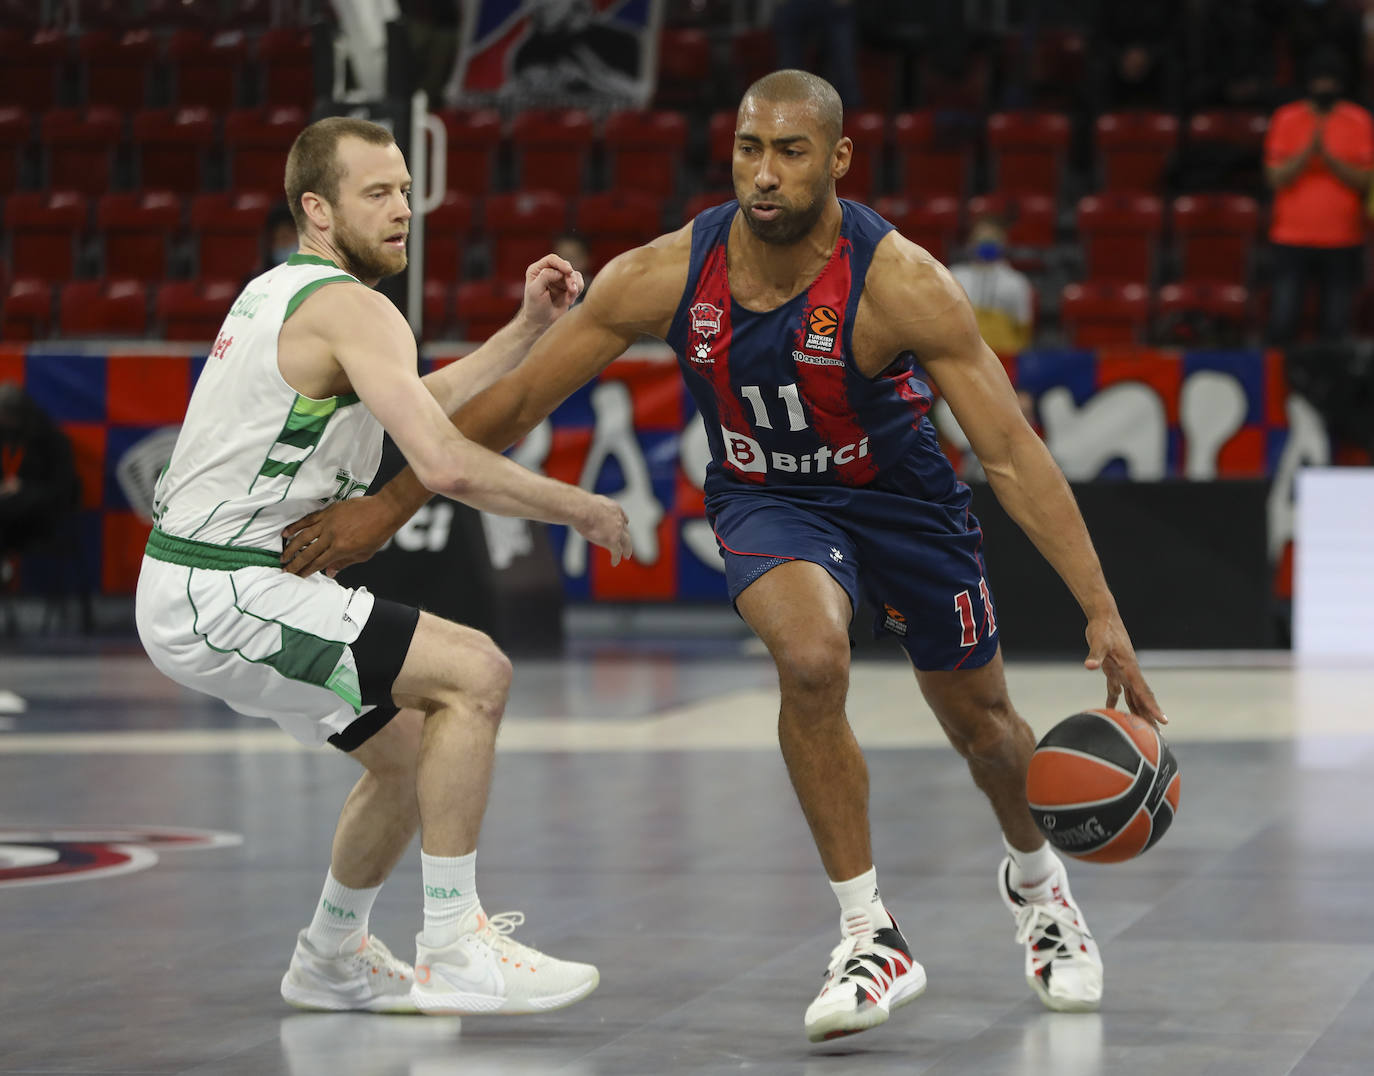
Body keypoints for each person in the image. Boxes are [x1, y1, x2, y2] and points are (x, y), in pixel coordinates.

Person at [277, 74, 1166, 1042]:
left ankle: (1038, 886)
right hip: (770, 497)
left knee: (988, 730)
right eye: (749, 148)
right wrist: (387, 506)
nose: (765, 172)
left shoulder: (903, 281)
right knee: (811, 660)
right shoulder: (661, 273)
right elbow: (523, 397)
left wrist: (1102, 609)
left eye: (790, 151)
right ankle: (870, 931)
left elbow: (1010, 452)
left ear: (836, 160)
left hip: (907, 508)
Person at [134, 116, 633, 1018]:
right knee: (476, 674)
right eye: (378, 194)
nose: (403, 209)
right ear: (317, 210)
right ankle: (454, 945)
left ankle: (329, 958)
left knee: (409, 759)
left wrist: (523, 329)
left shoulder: (286, 292)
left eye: (406, 189)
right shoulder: (349, 305)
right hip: (224, 588)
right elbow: (441, 461)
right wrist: (583, 509)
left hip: (224, 586)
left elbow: (421, 400)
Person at [1264, 47, 1374, 344]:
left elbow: (1366, 181)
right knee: (1283, 322)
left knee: (1336, 328)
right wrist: (1306, 154)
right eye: (1319, 81)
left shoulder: (1359, 120)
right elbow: (1275, 177)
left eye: (1331, 82)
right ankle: (1280, 387)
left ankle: (1334, 390)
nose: (1325, 88)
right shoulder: (1287, 118)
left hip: (1343, 238)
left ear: (1340, 84)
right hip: (1291, 237)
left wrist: (1329, 159)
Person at [0, 382, 79, 559]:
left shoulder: (49, 439)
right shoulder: (5, 434)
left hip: (41, 505)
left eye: (5, 416)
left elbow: (63, 488)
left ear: (15, 415)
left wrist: (24, 487)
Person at [948, 216, 1034, 358]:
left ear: (1003, 243)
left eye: (992, 241)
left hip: (1003, 357)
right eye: (980, 240)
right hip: (963, 356)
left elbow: (1023, 329)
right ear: (970, 243)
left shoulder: (1017, 282)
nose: (986, 245)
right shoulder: (954, 275)